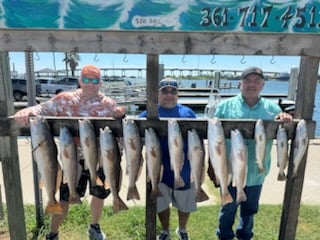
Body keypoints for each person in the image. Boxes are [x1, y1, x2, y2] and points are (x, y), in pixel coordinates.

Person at [14, 64, 125, 240]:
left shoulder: (109, 104)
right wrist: (28, 111)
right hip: (72, 158)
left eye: (94, 80)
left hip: (99, 159)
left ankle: (94, 226)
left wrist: (115, 154)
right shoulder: (65, 99)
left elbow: (118, 134)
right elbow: (42, 109)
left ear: (100, 83)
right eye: (86, 79)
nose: (90, 83)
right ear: (80, 80)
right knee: (65, 198)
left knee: (99, 194)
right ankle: (53, 233)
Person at [210, 67, 293, 240]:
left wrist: (285, 118)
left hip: (257, 172)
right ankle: (224, 235)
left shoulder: (272, 108)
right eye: (248, 80)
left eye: (256, 81)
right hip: (230, 172)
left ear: (263, 85)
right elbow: (212, 137)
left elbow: (284, 130)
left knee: (249, 210)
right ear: (240, 83)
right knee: (228, 209)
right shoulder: (225, 106)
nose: (252, 84)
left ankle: (245, 236)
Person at [139, 77, 197, 240]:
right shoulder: (148, 113)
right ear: (158, 94)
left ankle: (182, 229)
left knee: (184, 203)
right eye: (165, 91)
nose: (169, 95)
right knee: (161, 202)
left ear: (178, 94)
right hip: (158, 167)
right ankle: (165, 230)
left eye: (173, 91)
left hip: (184, 167)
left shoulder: (188, 113)